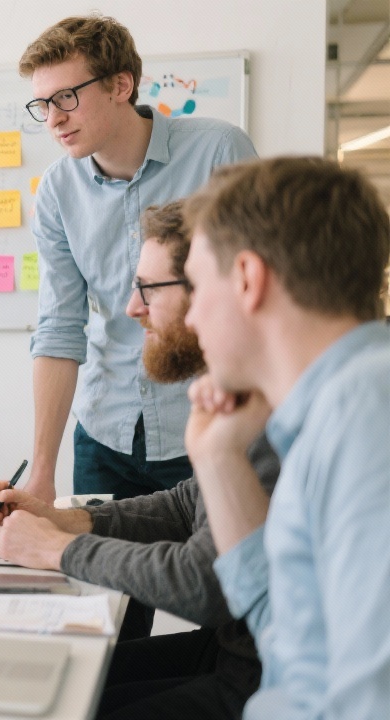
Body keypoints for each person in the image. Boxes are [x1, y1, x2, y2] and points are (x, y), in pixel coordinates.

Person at [0, 203, 278, 719]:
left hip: (263, 679)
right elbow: (189, 509)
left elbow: (202, 582)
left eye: (148, 288)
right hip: (236, 649)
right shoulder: (254, 391)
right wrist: (62, 519)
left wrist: (60, 549)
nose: (131, 308)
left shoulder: (281, 406)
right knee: (57, 674)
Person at [180, 157, 390, 718]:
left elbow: (370, 701)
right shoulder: (329, 409)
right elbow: (290, 629)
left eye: (197, 286)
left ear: (248, 279)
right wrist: (220, 457)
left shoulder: (365, 410)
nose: (192, 316)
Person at [19, 15, 257, 505]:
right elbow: (59, 327)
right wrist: (42, 470)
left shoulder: (218, 150)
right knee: (101, 578)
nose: (54, 119)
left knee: (207, 577)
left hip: (209, 418)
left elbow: (253, 298)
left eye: (66, 97)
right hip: (107, 433)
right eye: (42, 104)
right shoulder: (57, 192)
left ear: (120, 85)